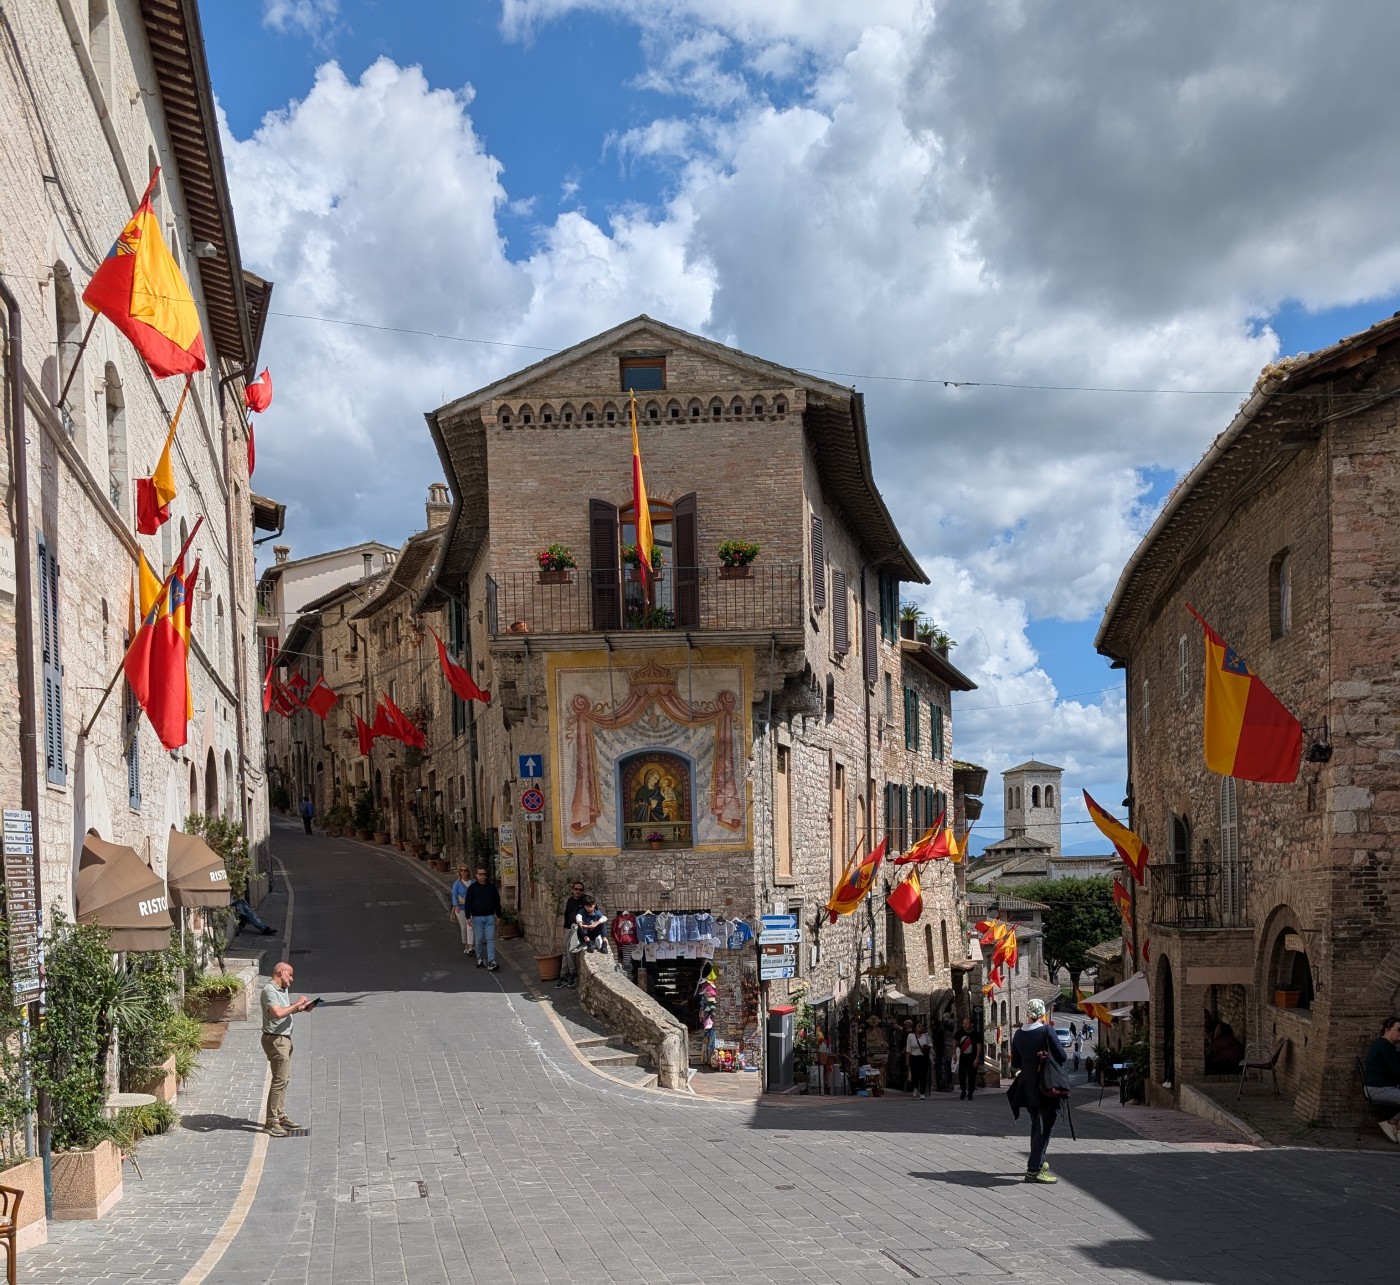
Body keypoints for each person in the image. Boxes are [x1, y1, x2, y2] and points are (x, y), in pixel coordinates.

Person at [1008, 997, 1066, 1183]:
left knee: (1036, 1124)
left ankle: (1038, 1162)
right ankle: (1034, 1169)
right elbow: (1062, 1056)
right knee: (1045, 1127)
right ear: (1042, 1013)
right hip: (1045, 1085)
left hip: (1027, 1086)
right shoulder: (1046, 1030)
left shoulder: (1018, 1034)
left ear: (1027, 1013)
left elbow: (1015, 1062)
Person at [260, 960, 315, 1136]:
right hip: (275, 1040)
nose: (291, 979)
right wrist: (297, 1003)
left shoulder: (281, 989)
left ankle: (281, 1116)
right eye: (289, 975)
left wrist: (300, 1008)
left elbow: (285, 1010)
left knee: (284, 1079)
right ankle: (271, 1122)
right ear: (281, 972)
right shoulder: (269, 991)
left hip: (284, 1039)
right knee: (279, 1080)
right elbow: (277, 1014)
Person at [1363, 1016, 1400, 1143]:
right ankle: (1392, 1122)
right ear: (1387, 1029)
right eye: (1399, 1029)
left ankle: (1396, 1125)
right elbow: (1397, 1072)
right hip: (1377, 1089)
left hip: (1382, 1086)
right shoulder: (1384, 1046)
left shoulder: (1386, 1045)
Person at [464, 866, 502, 971]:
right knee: (479, 939)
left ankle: (491, 961)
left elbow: (497, 902)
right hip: (477, 917)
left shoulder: (491, 887)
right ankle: (480, 958)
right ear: (476, 875)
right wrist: (468, 917)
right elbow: (468, 903)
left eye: (484, 874)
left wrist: (499, 915)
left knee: (490, 939)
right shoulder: (472, 888)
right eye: (480, 874)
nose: (482, 876)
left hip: (489, 917)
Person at [558, 881, 586, 988]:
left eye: (580, 890)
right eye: (576, 889)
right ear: (573, 890)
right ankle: (563, 975)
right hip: (570, 927)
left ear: (582, 891)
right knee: (565, 950)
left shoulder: (585, 901)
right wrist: (565, 926)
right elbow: (567, 913)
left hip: (578, 928)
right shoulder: (570, 900)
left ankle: (572, 973)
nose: (578, 891)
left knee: (571, 949)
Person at [449, 865, 474, 955]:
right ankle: (466, 945)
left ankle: (471, 946)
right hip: (461, 908)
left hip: (471, 908)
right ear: (459, 872)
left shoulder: (473, 882)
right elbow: (454, 895)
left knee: (470, 926)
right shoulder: (457, 883)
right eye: (461, 871)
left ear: (468, 872)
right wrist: (456, 905)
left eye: (465, 870)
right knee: (464, 927)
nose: (463, 872)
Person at [956, 1017, 982, 1100]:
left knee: (972, 1076)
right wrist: (954, 1053)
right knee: (961, 1074)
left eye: (966, 1023)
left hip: (972, 1058)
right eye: (964, 1023)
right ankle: (963, 1090)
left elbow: (979, 1046)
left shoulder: (976, 1034)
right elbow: (954, 1041)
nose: (964, 1025)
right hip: (963, 1058)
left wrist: (977, 1058)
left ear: (971, 1024)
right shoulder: (960, 1032)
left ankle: (970, 1093)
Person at [904, 1020, 930, 1099]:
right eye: (919, 1026)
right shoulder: (910, 1036)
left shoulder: (926, 1036)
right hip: (914, 1058)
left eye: (922, 1026)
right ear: (915, 1028)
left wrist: (927, 1047)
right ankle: (916, 1086)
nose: (921, 1027)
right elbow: (908, 1049)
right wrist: (907, 1060)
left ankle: (922, 1092)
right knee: (914, 1075)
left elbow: (930, 1045)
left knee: (923, 1076)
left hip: (923, 1058)